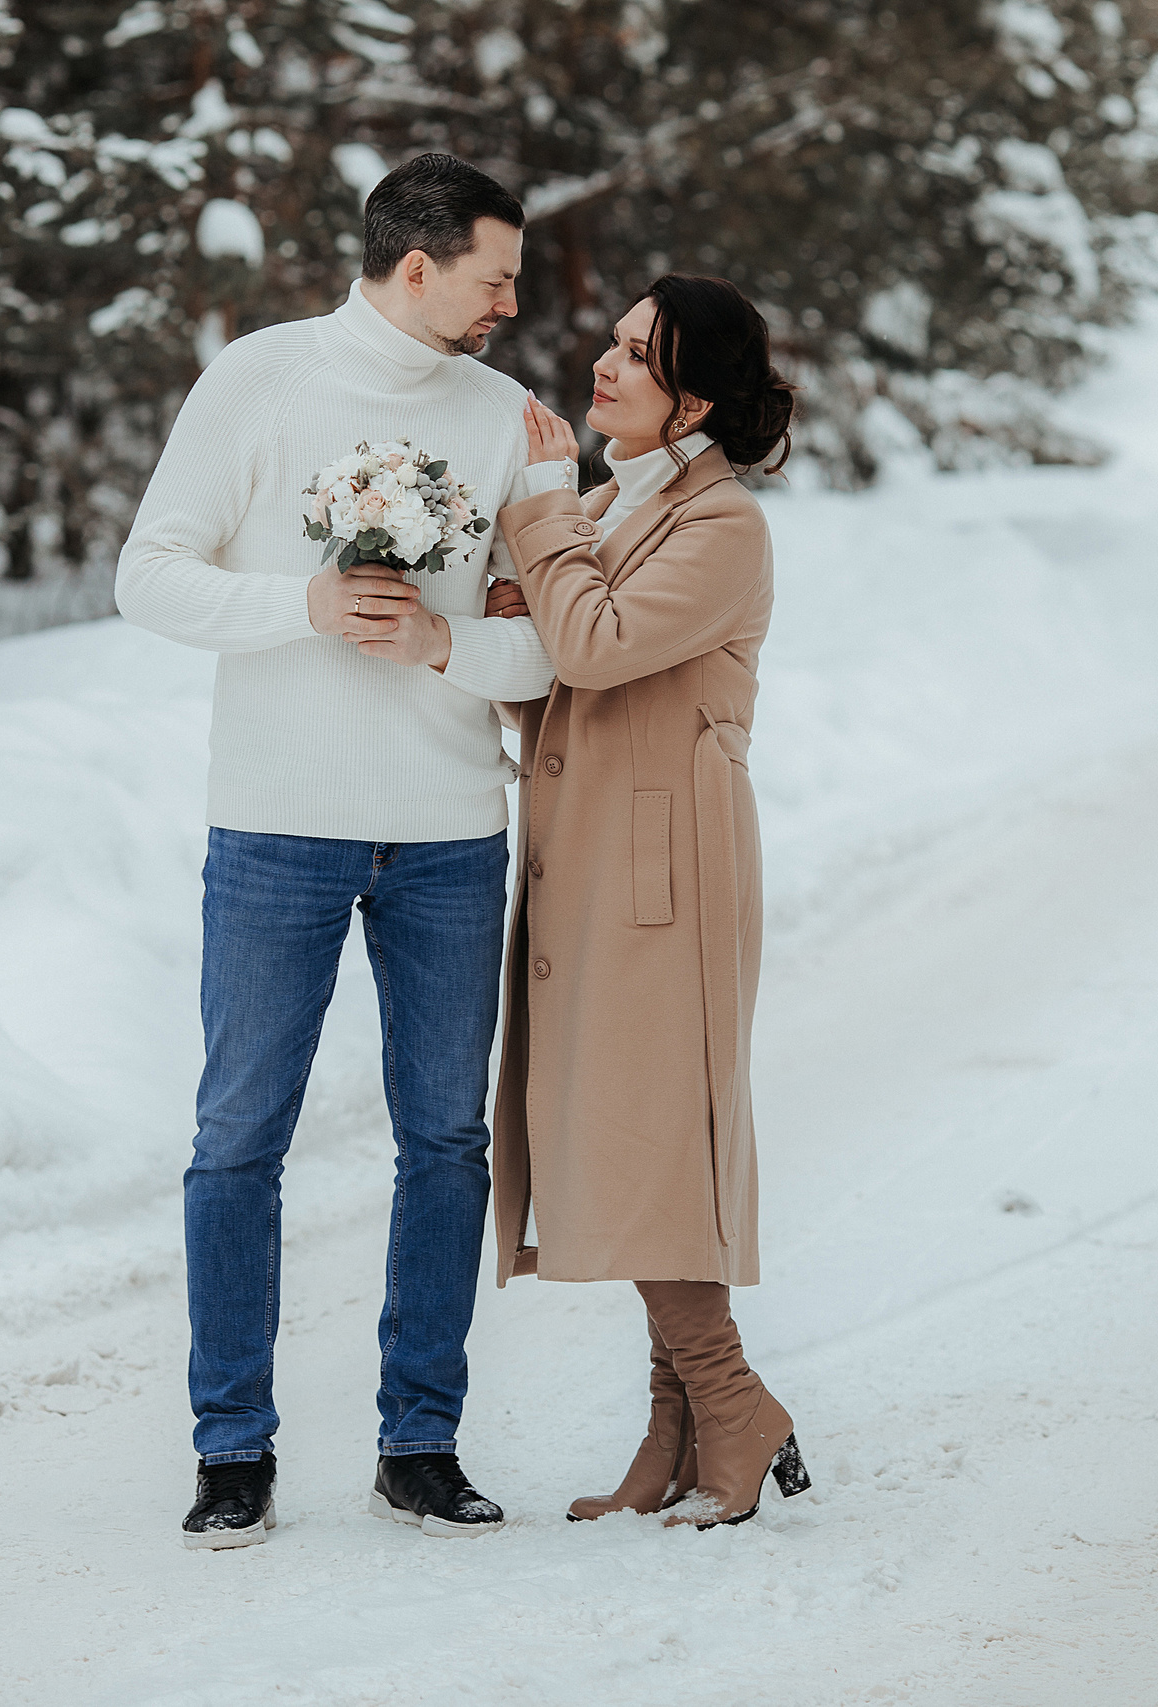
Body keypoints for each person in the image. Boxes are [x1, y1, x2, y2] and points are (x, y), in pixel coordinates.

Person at [114, 153, 572, 1549]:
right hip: (273, 828)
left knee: (447, 1138)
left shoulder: (513, 423)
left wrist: (448, 640)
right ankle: (230, 1447)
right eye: (495, 274)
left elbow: (556, 642)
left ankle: (420, 1439)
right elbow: (148, 574)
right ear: (416, 264)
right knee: (238, 1137)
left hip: (445, 834)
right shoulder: (259, 378)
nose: (512, 300)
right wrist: (305, 602)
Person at [487, 275, 809, 1528]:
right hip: (601, 846)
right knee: (634, 1134)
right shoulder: (634, 506)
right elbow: (570, 687)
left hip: (667, 865)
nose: (606, 367)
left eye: (639, 355)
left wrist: (544, 527)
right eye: (614, 343)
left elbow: (598, 648)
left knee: (652, 1134)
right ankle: (676, 1424)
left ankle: (730, 1404)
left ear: (698, 400)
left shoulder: (723, 525)